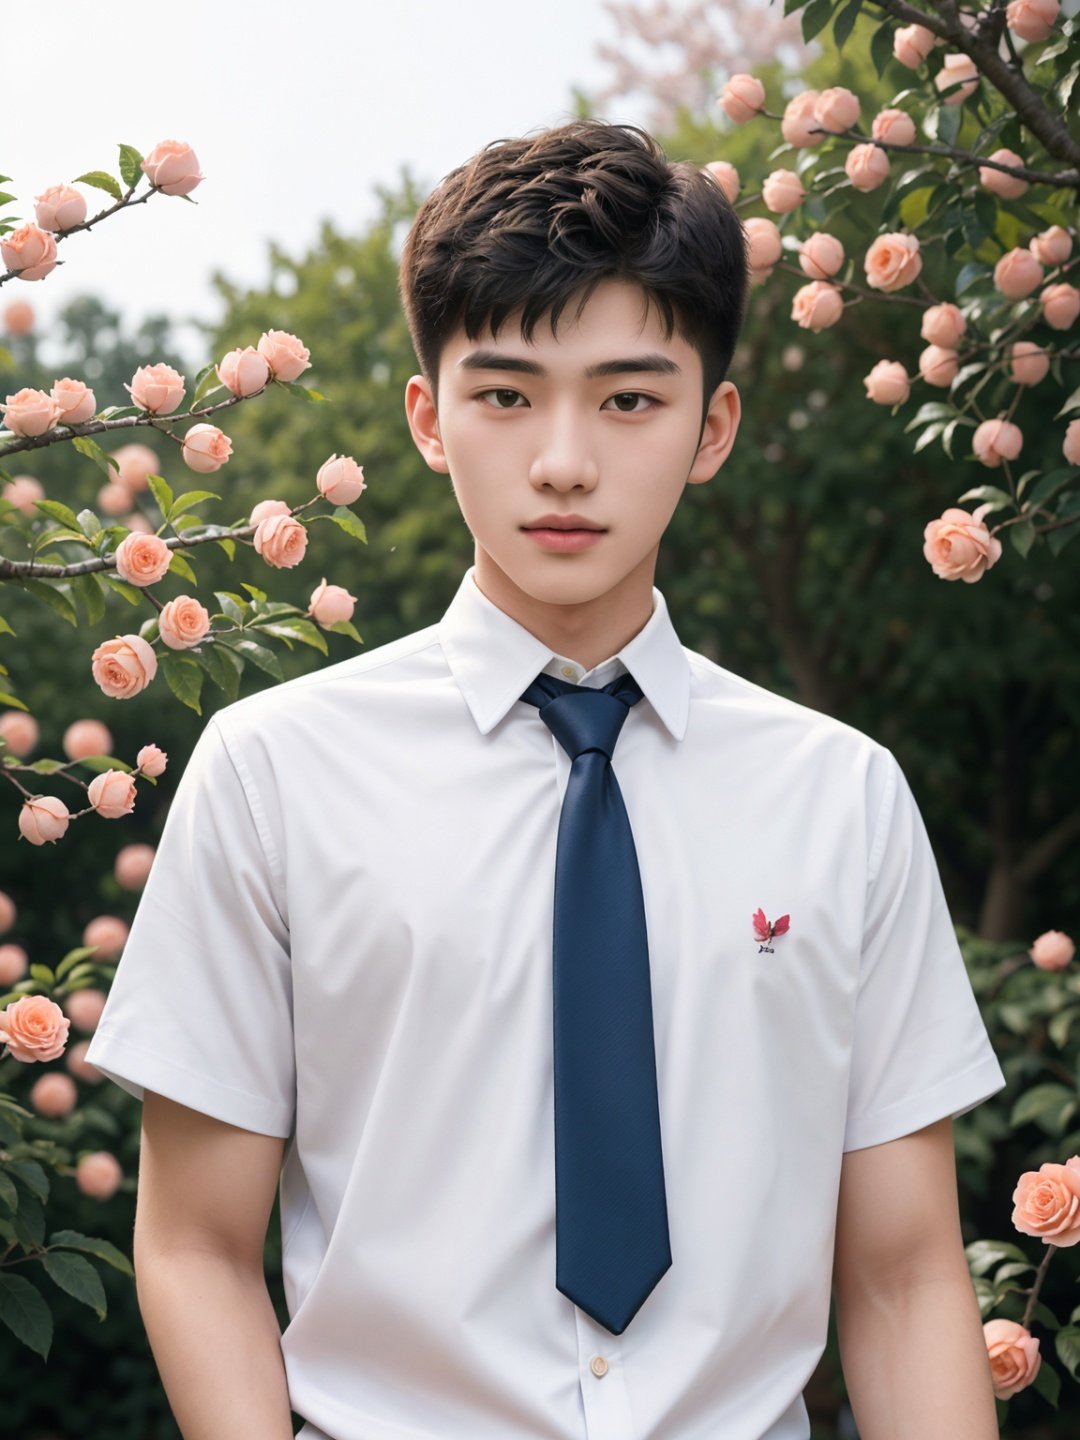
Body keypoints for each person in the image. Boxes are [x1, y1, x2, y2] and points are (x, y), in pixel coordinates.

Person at [87, 119, 1006, 1440]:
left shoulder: (841, 799)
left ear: (712, 425)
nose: (565, 458)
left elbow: (908, 1277)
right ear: (428, 417)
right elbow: (194, 1247)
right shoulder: (276, 776)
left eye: (629, 397)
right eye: (507, 394)